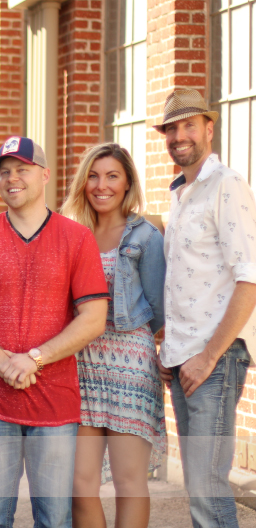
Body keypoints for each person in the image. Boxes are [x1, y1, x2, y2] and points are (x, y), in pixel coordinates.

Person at [0, 136, 109, 528]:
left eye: (22, 169)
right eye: (4, 171)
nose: (11, 178)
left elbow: (94, 317)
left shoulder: (76, 237)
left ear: (45, 175)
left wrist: (35, 358)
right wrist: (4, 362)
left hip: (55, 404)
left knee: (54, 518)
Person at [153, 89, 256, 528]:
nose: (180, 136)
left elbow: (249, 278)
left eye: (189, 125)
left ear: (209, 129)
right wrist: (169, 348)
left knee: (208, 490)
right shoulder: (180, 194)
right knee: (199, 487)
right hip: (183, 359)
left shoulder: (226, 184)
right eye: (172, 128)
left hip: (213, 360)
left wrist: (209, 356)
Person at [61, 143, 166, 528]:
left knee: (129, 481)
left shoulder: (146, 236)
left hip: (130, 368)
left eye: (112, 176)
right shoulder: (72, 234)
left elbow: (160, 312)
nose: (101, 185)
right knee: (79, 483)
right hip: (82, 367)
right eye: (93, 175)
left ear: (127, 184)